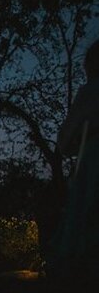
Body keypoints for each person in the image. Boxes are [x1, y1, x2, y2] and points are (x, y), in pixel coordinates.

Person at [48, 40, 99, 276]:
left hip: (92, 156)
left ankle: (79, 261)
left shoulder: (90, 91)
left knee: (87, 205)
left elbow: (67, 134)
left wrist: (70, 145)